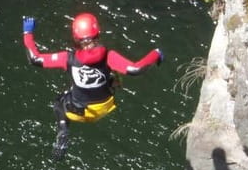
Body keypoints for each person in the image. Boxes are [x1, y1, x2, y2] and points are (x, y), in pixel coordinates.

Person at [22, 13, 164, 159]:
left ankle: (63, 130)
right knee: (109, 78)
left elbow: (35, 59)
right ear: (97, 34)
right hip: (104, 108)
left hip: (78, 113)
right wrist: (156, 53)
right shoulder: (109, 56)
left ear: (76, 39)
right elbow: (136, 69)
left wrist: (28, 32)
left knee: (59, 101)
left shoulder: (67, 58)